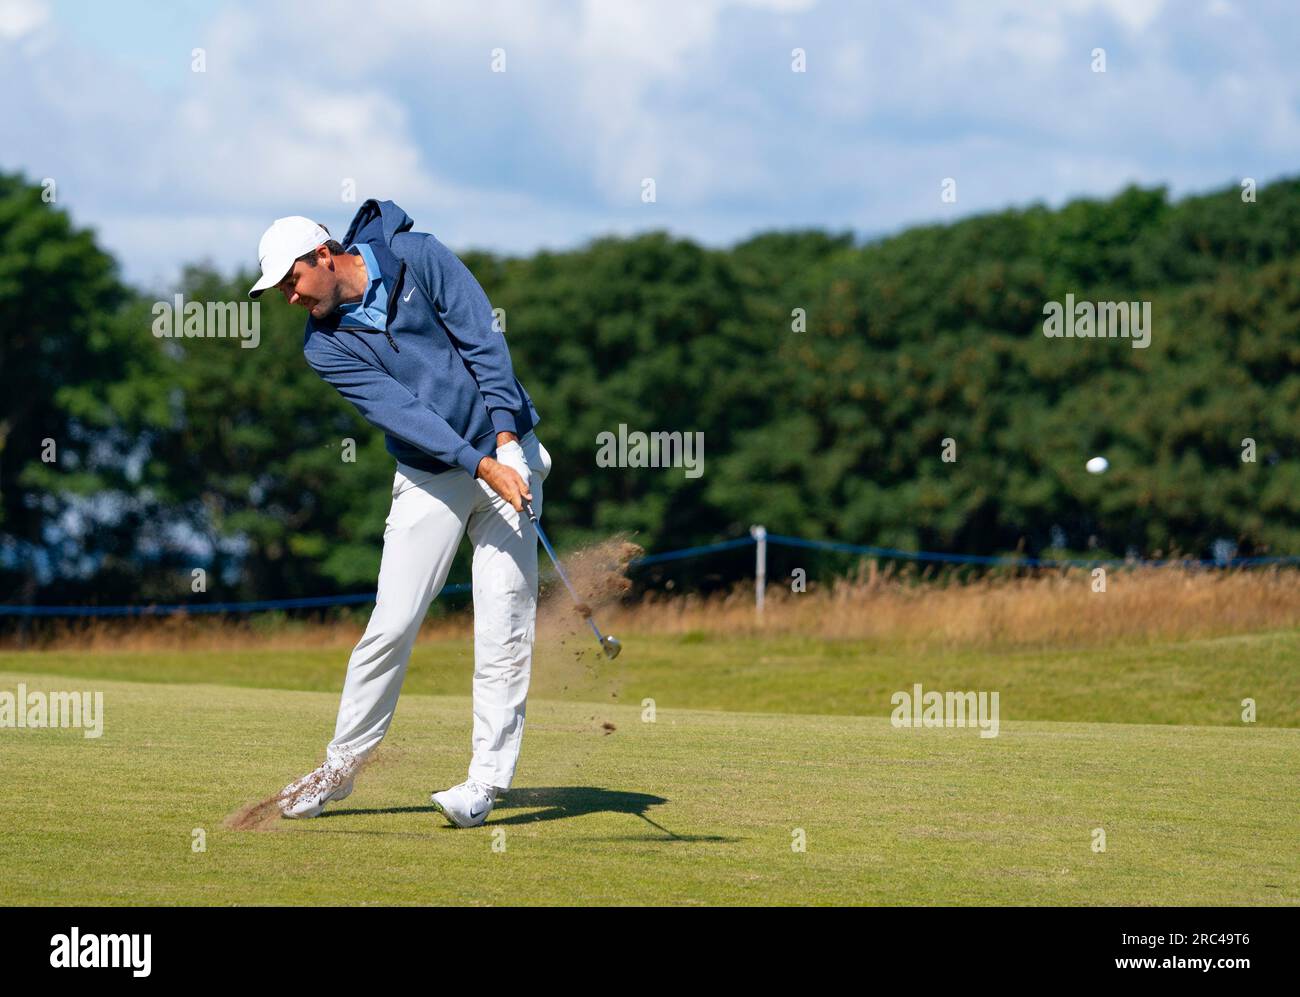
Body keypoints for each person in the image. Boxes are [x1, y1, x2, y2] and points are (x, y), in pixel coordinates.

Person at [248, 200, 551, 828]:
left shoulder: (420, 256)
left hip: (506, 448)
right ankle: (338, 771)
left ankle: (484, 785)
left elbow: (484, 342)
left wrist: (507, 444)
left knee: (503, 621)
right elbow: (402, 414)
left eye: (292, 281)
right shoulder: (323, 347)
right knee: (392, 623)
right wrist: (478, 465)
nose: (290, 298)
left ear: (323, 256)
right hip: (432, 470)